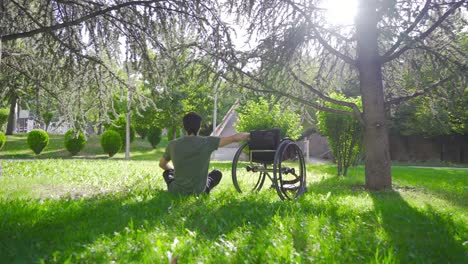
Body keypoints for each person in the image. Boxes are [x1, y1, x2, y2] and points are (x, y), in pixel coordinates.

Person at [159, 112, 250, 195]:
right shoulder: (208, 142)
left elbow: (162, 164)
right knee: (217, 173)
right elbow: (234, 138)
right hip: (200, 191)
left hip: (176, 191)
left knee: (167, 173)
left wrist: (173, 171)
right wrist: (250, 135)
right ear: (199, 127)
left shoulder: (173, 144)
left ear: (184, 126)